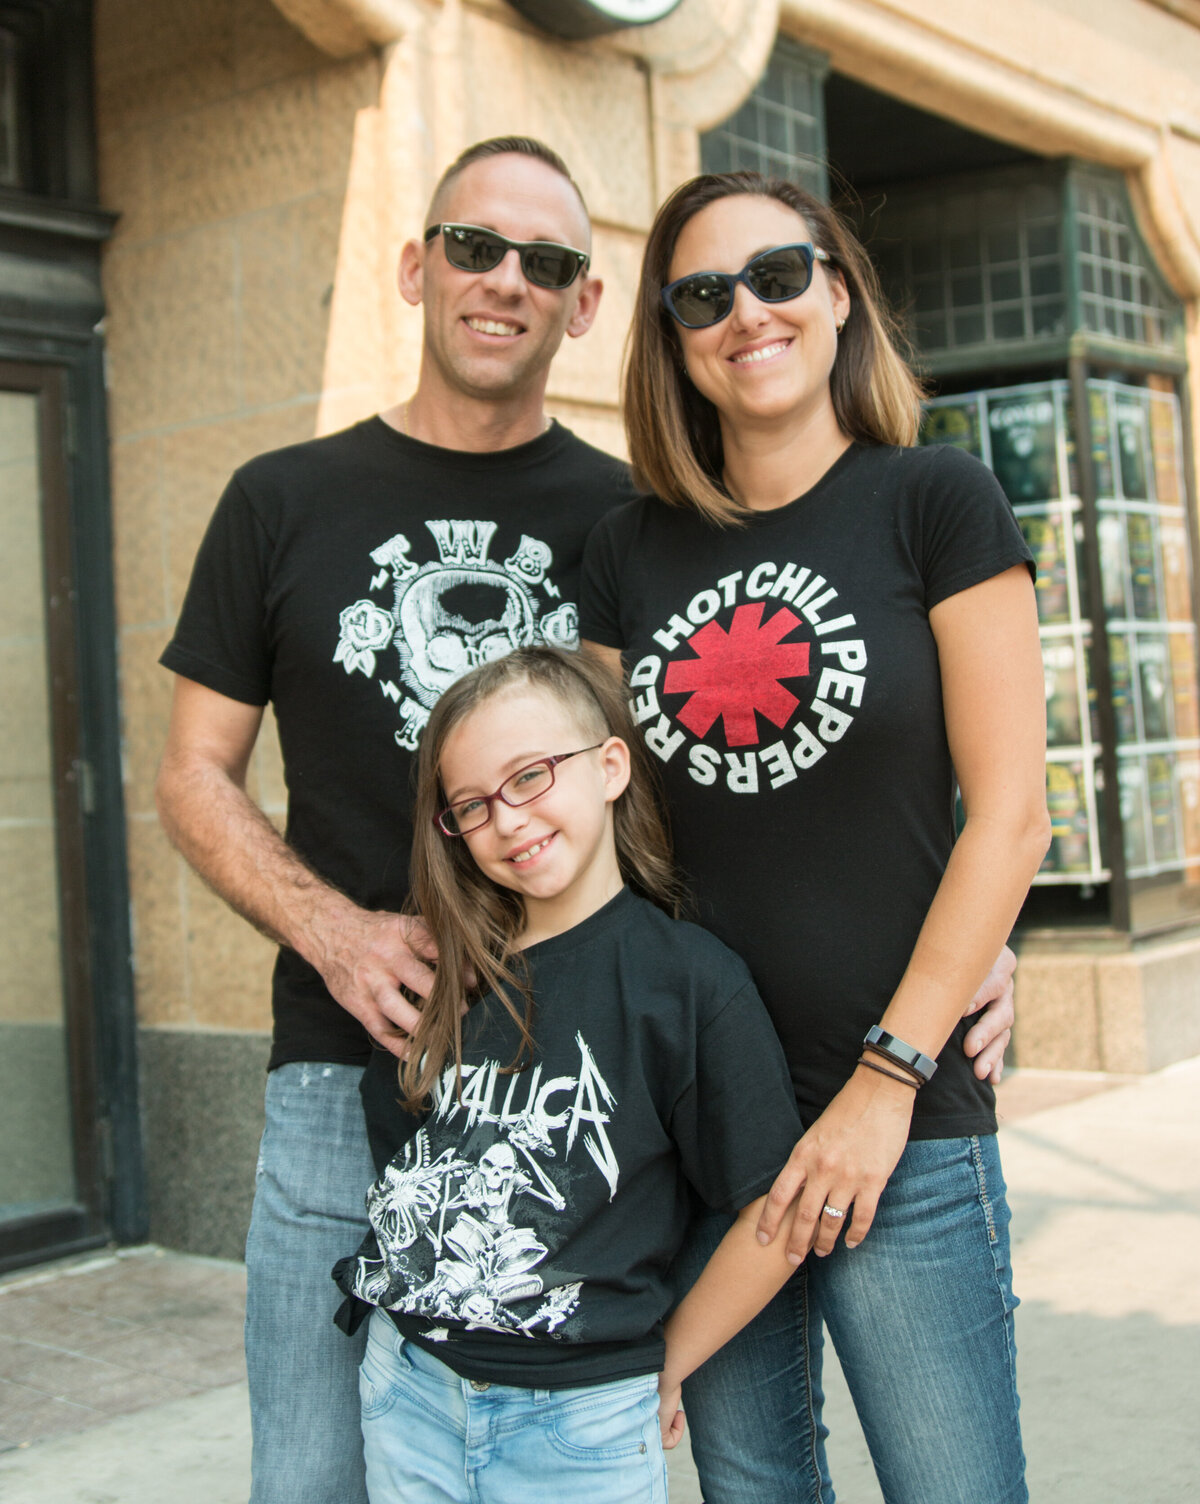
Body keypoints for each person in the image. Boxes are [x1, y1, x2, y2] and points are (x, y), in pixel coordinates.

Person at [154, 137, 634, 1504]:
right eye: (475, 247)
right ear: (416, 266)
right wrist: (336, 934)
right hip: (335, 1063)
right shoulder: (280, 499)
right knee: (309, 1474)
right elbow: (193, 772)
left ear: (582, 305)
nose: (506, 282)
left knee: (540, 1471)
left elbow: (682, 784)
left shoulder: (621, 518)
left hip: (567, 1069)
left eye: (546, 263)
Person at [580, 170, 1051, 1504]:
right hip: (699, 1124)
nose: (749, 313)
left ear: (837, 294)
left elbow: (1009, 818)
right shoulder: (626, 552)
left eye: (780, 275)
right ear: (673, 337)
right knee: (753, 1489)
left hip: (901, 1123)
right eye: (704, 295)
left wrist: (891, 1074)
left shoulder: (936, 501)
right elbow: (607, 841)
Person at [331, 644, 807, 1504]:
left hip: (581, 1420)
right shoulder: (443, 980)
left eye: (531, 777)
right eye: (470, 805)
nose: (506, 820)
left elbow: (775, 1210)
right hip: (409, 1390)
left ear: (611, 765)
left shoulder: (687, 984)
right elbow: (404, 1170)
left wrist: (669, 1365)